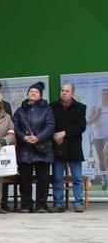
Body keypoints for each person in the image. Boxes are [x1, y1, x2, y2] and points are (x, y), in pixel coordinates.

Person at [12, 82, 55, 213]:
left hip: (42, 148)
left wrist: (38, 137)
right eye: (31, 91)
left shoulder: (47, 109)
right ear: (27, 94)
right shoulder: (20, 110)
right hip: (25, 148)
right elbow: (14, 127)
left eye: (36, 92)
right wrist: (23, 137)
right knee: (25, 179)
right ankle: (26, 205)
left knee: (43, 178)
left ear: (40, 95)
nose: (33, 93)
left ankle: (42, 205)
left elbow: (50, 126)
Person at [50, 83, 87, 213]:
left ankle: (78, 202)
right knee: (57, 177)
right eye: (62, 90)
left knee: (77, 177)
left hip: (73, 145)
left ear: (72, 93)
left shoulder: (80, 108)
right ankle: (58, 203)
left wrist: (64, 133)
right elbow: (50, 123)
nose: (64, 93)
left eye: (67, 91)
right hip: (58, 144)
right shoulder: (53, 107)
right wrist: (55, 135)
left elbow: (80, 126)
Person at [88, 88, 108, 190]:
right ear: (100, 96)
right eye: (103, 94)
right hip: (97, 136)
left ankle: (107, 174)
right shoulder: (95, 108)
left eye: (107, 94)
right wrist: (97, 114)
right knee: (100, 159)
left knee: (106, 152)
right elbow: (88, 122)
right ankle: (104, 178)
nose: (105, 96)